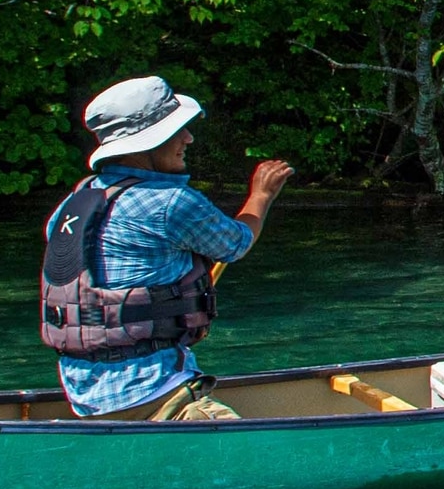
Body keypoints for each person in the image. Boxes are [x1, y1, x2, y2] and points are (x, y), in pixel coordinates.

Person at [39, 76, 293, 417]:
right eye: (177, 132)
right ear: (144, 144)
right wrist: (261, 196)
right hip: (153, 390)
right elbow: (236, 243)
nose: (188, 138)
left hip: (83, 395)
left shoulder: (74, 203)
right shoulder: (170, 203)